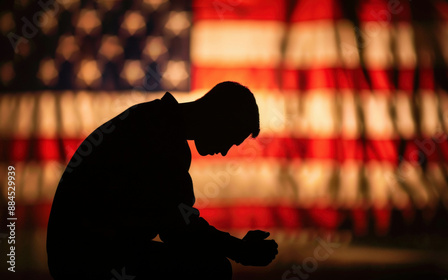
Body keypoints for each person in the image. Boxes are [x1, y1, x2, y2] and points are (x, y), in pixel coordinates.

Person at [46, 81, 278, 280]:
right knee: (212, 270)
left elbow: (174, 225)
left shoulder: (155, 120)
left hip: (80, 249)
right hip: (86, 256)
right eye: (231, 138)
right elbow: (178, 230)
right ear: (219, 117)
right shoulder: (162, 135)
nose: (225, 151)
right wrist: (240, 249)